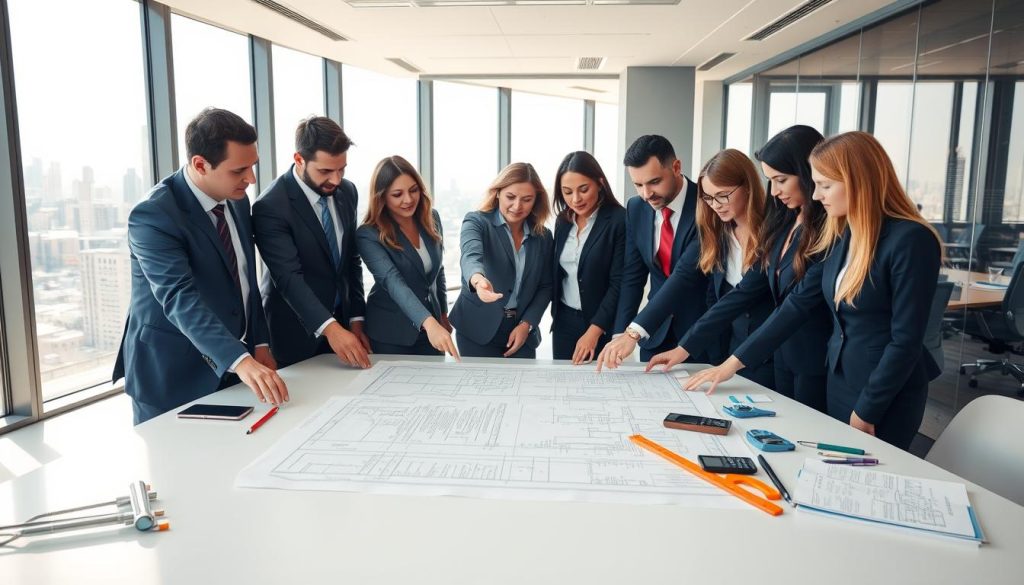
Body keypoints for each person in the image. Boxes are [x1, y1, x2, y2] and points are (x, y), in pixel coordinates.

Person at [685, 131, 942, 450]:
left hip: (884, 392)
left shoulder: (911, 240)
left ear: (857, 180)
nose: (817, 196)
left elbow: (906, 340)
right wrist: (731, 364)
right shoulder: (844, 235)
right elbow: (797, 304)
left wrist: (867, 409)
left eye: (825, 185)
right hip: (839, 379)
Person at [113, 108, 287, 425]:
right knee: (174, 472)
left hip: (233, 367)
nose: (251, 179)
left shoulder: (237, 199)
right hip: (170, 375)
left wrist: (259, 343)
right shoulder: (154, 216)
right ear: (200, 164)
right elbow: (179, 296)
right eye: (239, 171)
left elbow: (246, 278)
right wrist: (241, 360)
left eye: (252, 167)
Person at [647, 126, 830, 410]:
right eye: (770, 180)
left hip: (809, 359)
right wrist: (684, 349)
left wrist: (730, 364)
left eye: (780, 180)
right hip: (775, 356)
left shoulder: (824, 230)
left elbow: (796, 306)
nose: (774, 191)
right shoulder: (784, 224)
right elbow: (741, 293)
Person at [648, 149, 775, 388]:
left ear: (747, 186)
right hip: (731, 352)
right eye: (708, 197)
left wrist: (685, 347)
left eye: (722, 195)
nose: (715, 205)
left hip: (771, 356)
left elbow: (741, 296)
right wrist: (699, 353)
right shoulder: (719, 233)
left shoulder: (773, 231)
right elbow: (714, 299)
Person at [252, 116, 370, 369]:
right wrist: (331, 329)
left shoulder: (347, 192)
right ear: (299, 160)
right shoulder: (271, 206)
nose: (336, 180)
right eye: (325, 171)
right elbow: (288, 278)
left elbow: (351, 261)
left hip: (344, 326)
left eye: (342, 169)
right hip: (295, 333)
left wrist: (356, 318)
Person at [596, 135, 712, 370]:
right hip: (655, 335)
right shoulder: (636, 208)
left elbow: (684, 276)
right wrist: (621, 333)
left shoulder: (707, 204)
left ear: (676, 167)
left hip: (701, 333)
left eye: (654, 182)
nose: (647, 193)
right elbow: (633, 275)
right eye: (638, 185)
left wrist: (634, 332)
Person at [355, 156, 459, 359]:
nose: (408, 200)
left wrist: (442, 314)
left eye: (413, 190)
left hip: (432, 327)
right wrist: (429, 323)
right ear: (382, 197)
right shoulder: (368, 234)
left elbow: (438, 272)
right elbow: (393, 282)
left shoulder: (432, 218)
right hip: (392, 333)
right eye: (397, 194)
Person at [450, 162, 554, 359]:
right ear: (497, 193)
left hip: (521, 331)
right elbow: (471, 256)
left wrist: (527, 324)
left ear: (536, 201)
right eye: (510, 197)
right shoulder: (477, 222)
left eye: (527, 199)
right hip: (477, 329)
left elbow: (546, 286)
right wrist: (478, 281)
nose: (517, 206)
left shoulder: (543, 237)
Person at [550, 151, 626, 364]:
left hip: (601, 323)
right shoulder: (563, 221)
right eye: (567, 192)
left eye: (584, 189)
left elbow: (618, 283)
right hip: (564, 321)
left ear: (600, 183)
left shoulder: (619, 220)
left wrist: (594, 332)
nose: (576, 199)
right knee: (563, 387)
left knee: (600, 389)